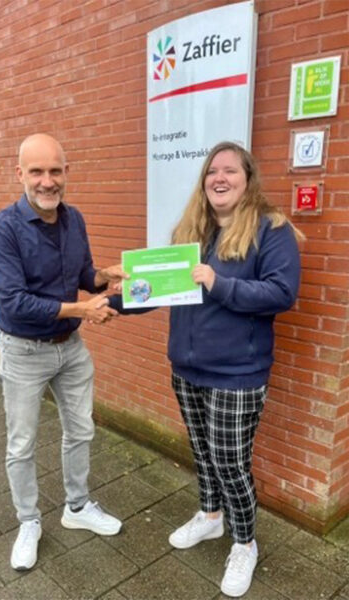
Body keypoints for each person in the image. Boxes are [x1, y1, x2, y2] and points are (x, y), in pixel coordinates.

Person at [148, 142, 300, 597]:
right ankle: (210, 517)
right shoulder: (191, 229)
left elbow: (281, 293)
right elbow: (161, 288)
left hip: (237, 374)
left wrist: (218, 283)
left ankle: (245, 542)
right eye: (212, 171)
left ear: (247, 178)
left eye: (229, 171)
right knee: (201, 451)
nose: (219, 178)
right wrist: (113, 299)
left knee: (231, 462)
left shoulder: (272, 230)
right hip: (187, 367)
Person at [0, 133, 126, 571]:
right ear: (20, 173)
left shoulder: (73, 218)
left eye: (55, 171)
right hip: (24, 351)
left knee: (81, 430)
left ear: (67, 173)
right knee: (21, 444)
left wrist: (104, 277)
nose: (48, 181)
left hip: (70, 348)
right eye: (38, 171)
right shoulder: (1, 230)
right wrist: (84, 308)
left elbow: (81, 273)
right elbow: (15, 301)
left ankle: (77, 507)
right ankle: (28, 521)